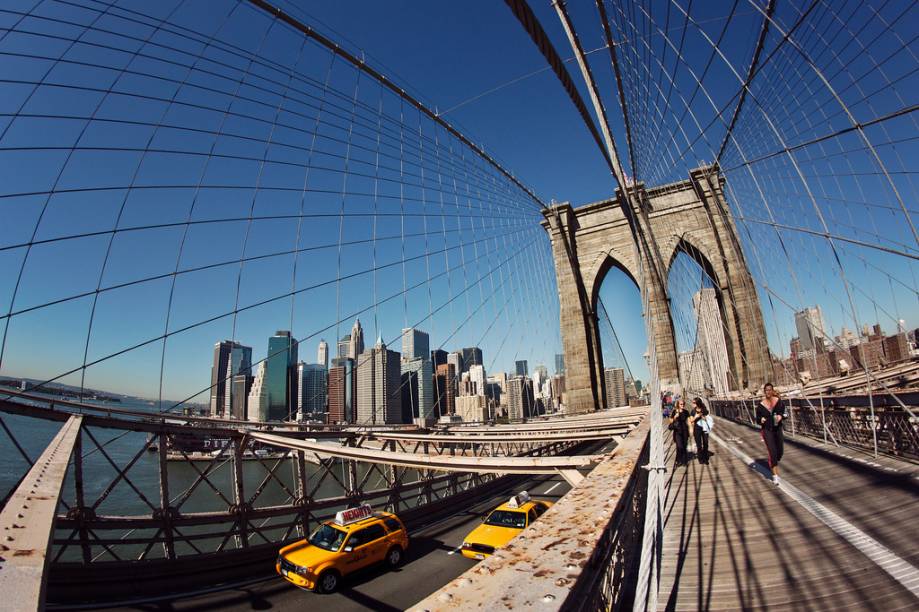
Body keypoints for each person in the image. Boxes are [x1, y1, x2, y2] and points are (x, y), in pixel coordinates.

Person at [756, 382, 787, 485]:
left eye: (769, 390)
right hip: (767, 430)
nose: (768, 392)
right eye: (766, 390)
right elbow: (757, 419)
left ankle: (774, 460)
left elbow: (785, 413)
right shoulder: (761, 405)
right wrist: (761, 419)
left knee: (780, 452)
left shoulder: (779, 402)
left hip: (777, 429)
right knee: (772, 452)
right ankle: (775, 477)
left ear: (772, 391)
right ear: (764, 392)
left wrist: (781, 416)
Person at [690, 397, 713, 464]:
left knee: (706, 443)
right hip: (697, 429)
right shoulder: (693, 411)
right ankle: (700, 458)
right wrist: (696, 417)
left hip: (704, 428)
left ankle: (705, 458)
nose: (693, 403)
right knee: (699, 445)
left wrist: (704, 418)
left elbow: (707, 417)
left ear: (698, 403)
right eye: (693, 402)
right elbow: (691, 420)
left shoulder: (704, 410)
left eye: (694, 402)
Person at [669, 399, 690, 466]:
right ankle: (678, 460)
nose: (682, 405)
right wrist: (675, 417)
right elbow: (670, 421)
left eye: (683, 404)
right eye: (681, 404)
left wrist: (691, 429)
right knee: (679, 446)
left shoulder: (686, 412)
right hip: (677, 431)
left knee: (684, 446)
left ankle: (683, 461)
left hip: (685, 431)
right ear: (678, 405)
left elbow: (689, 421)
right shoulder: (675, 411)